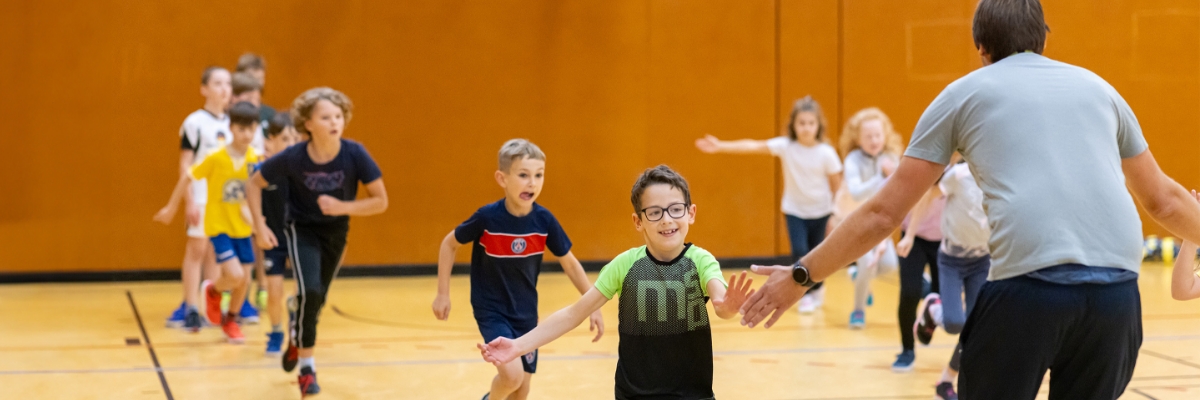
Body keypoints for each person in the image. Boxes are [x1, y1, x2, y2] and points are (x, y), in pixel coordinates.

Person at [740, 1, 1200, 398]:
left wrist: (802, 275)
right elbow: (1165, 202)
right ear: (1044, 37)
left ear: (981, 48)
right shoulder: (1103, 91)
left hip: (1029, 290)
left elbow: (883, 214)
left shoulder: (962, 95)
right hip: (1116, 296)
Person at [478, 165, 754, 400]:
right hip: (633, 393)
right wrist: (518, 346)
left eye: (675, 209)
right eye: (654, 212)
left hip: (692, 393)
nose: (667, 219)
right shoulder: (625, 265)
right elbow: (573, 314)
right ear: (638, 221)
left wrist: (729, 306)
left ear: (691, 213)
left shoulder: (701, 260)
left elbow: (721, 304)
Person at [433, 139, 605, 400]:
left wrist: (593, 304)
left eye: (538, 175)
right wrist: (442, 294)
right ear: (502, 178)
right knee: (511, 376)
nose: (532, 183)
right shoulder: (487, 218)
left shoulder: (544, 220)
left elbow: (569, 263)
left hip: (525, 313)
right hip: (491, 310)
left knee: (521, 391)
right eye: (523, 175)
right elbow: (449, 244)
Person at [247, 87, 389, 396]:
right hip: (302, 230)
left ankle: (296, 327)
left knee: (317, 301)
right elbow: (253, 183)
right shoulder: (294, 157)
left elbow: (381, 201)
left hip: (336, 232)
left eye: (338, 116)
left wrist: (344, 208)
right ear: (308, 123)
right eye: (325, 117)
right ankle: (307, 369)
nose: (334, 121)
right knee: (310, 292)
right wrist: (259, 226)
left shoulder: (355, 153)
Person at [694, 96, 842, 313]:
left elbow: (838, 185)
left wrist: (836, 214)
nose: (806, 128)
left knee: (817, 254)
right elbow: (753, 145)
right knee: (800, 252)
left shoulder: (826, 153)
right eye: (802, 123)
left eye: (811, 123)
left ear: (819, 125)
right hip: (795, 211)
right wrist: (720, 146)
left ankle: (818, 287)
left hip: (821, 212)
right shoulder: (786, 146)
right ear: (793, 125)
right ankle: (807, 294)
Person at [155, 101, 263, 343]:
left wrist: (261, 221)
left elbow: (261, 190)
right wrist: (172, 207)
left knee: (244, 279)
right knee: (234, 274)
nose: (246, 134)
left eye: (251, 129)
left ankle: (231, 321)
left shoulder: (255, 159)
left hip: (243, 227)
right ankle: (213, 290)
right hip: (219, 226)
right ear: (231, 128)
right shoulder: (216, 157)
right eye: (241, 129)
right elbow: (187, 177)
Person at [907, 155, 989, 400]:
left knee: (976, 329)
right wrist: (910, 235)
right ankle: (933, 308)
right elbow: (928, 197)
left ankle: (945, 382)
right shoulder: (958, 175)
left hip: (981, 262)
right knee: (955, 324)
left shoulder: (999, 175)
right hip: (952, 261)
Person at [158, 66, 230, 332]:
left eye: (228, 84)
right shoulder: (194, 122)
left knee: (216, 252)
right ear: (204, 89)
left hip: (224, 200)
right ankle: (191, 307)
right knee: (197, 249)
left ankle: (212, 308)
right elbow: (185, 165)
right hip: (200, 196)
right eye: (218, 83)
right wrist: (188, 201)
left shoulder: (231, 124)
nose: (224, 89)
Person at [837, 108, 903, 329]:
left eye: (878, 135)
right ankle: (858, 311)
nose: (874, 140)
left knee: (889, 265)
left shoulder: (892, 158)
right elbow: (856, 193)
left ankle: (858, 276)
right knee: (866, 263)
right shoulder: (853, 160)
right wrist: (880, 177)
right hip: (857, 220)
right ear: (857, 138)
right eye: (868, 136)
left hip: (882, 221)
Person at [254, 112, 299, 355]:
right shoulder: (263, 170)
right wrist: (258, 226)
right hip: (274, 240)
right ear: (270, 140)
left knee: (301, 290)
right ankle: (275, 332)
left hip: (298, 236)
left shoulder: (303, 169)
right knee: (274, 291)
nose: (290, 143)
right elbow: (248, 201)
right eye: (284, 138)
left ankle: (295, 315)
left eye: (294, 138)